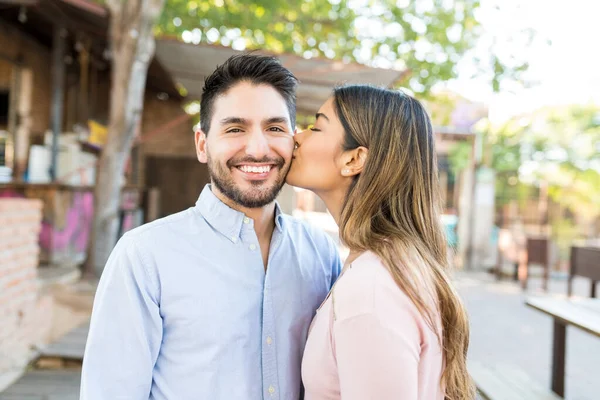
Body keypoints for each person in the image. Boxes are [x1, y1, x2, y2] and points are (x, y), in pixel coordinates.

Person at [80, 54, 342, 400]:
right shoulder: (145, 256)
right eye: (235, 129)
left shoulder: (321, 253)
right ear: (202, 144)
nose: (257, 148)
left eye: (275, 128)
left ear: (293, 141)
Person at [287, 85, 475, 399]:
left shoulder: (371, 288)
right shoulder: (389, 265)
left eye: (316, 127)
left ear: (355, 158)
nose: (297, 136)